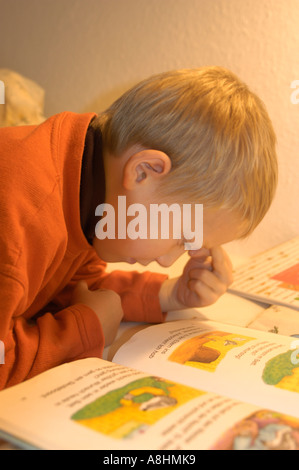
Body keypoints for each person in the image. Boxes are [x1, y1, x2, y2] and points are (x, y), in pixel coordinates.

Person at [0, 66, 277, 389]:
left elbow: (65, 286)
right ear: (144, 172)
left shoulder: (86, 190)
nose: (167, 261)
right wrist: (84, 329)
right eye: (181, 238)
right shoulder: (21, 215)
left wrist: (170, 294)